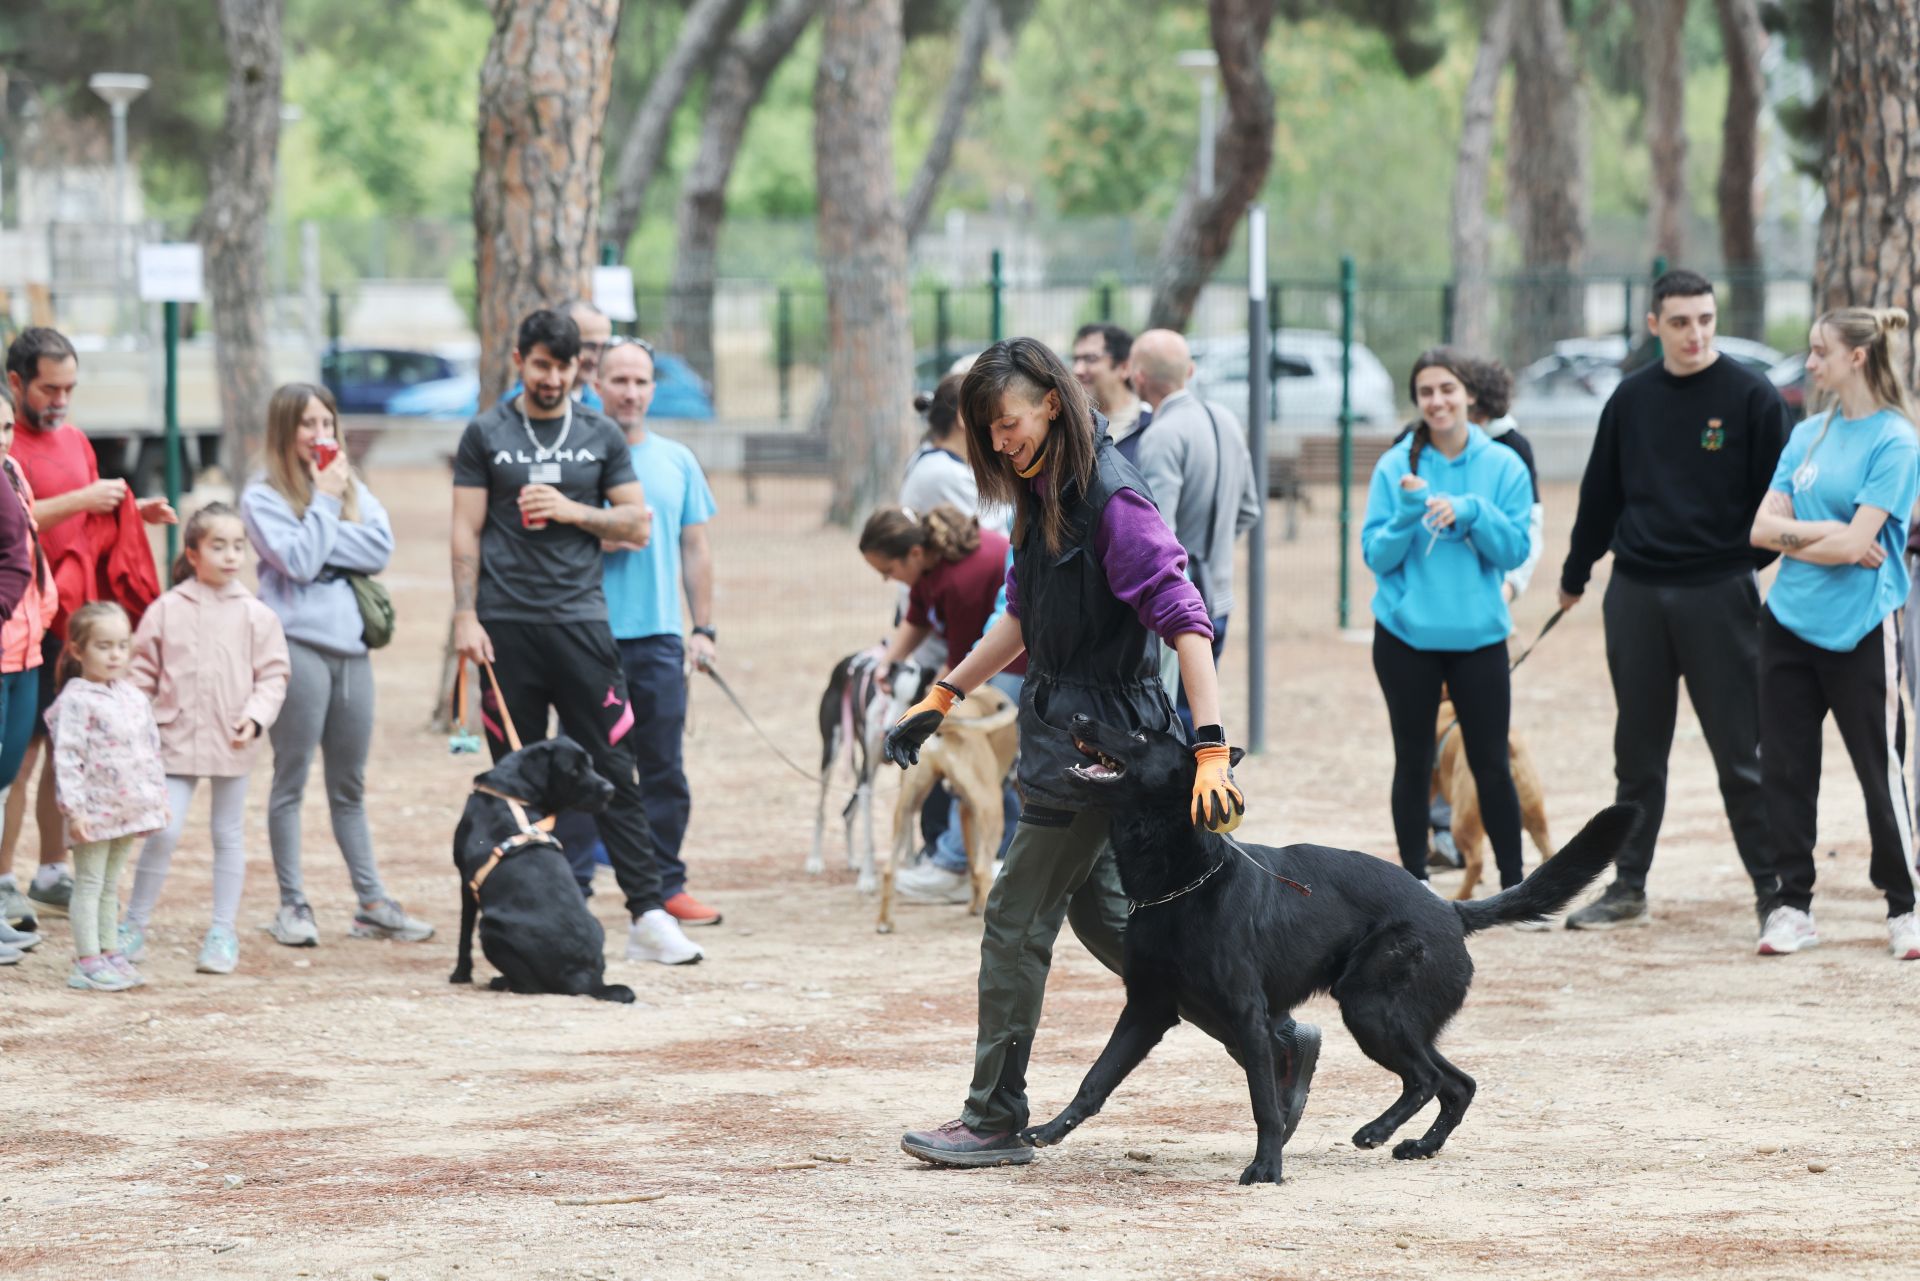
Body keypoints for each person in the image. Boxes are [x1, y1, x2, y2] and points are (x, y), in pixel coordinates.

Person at [882, 337, 1317, 1168]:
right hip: (1062, 728)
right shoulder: (1040, 489)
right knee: (1114, 919)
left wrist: (1211, 746)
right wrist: (941, 697)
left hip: (1104, 744)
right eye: (985, 432)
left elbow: (1185, 616)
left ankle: (995, 1115)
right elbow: (1020, 615)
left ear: (1052, 400)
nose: (997, 442)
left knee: (1014, 918)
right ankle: (1271, 1034)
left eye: (1005, 423)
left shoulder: (1114, 499)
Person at [451, 307, 701, 965]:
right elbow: (463, 530)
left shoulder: (598, 434)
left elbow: (634, 523)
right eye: (542, 365)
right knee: (513, 781)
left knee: (613, 769)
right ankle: (526, 909)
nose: (553, 378)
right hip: (506, 630)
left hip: (585, 627)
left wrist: (570, 511)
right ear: (519, 361)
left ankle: (647, 913)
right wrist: (463, 615)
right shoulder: (486, 433)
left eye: (564, 367)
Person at [1557, 270, 1792, 930]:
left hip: (1720, 596)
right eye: (1682, 321)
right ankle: (1628, 885)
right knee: (1637, 754)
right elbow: (1600, 494)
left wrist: (1734, 566)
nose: (1696, 333)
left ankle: (1775, 894)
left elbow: (1777, 502)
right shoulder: (1630, 399)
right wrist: (1577, 572)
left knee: (1742, 755)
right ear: (1655, 325)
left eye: (1706, 319)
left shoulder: (1752, 396)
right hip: (1636, 594)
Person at [1746, 307, 1920, 961]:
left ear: (1857, 358)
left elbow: (1860, 543)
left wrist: (1821, 537)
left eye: (1820, 352)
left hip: (1861, 631)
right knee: (1785, 770)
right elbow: (1763, 532)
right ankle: (1791, 904)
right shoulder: (1809, 433)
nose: (1809, 363)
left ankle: (1903, 905)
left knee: (1881, 772)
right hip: (1787, 622)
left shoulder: (1896, 441)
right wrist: (1834, 537)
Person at [242, 383, 430, 946]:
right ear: (284, 431)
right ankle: (293, 905)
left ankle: (372, 903)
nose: (320, 434)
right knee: (291, 780)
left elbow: (379, 549)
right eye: (307, 424)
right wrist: (324, 504)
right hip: (296, 646)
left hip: (352, 649)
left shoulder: (350, 483)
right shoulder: (261, 496)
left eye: (326, 422)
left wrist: (324, 523)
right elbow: (297, 563)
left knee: (349, 785)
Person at [548, 336, 723, 926]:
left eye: (641, 381)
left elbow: (695, 549)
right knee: (580, 763)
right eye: (618, 380)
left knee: (663, 767)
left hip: (658, 639)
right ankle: (571, 886)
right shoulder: (571, 457)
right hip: (585, 635)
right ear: (596, 385)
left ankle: (663, 884)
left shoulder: (676, 460)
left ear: (653, 388)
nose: (630, 392)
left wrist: (703, 630)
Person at [4, 327, 174, 920]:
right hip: (21, 626)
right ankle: (2, 880)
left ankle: (51, 871)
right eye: (50, 389)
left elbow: (88, 520)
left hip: (70, 629)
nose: (61, 401)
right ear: (16, 382)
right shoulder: (7, 442)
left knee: (63, 752)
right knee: (16, 761)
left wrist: (134, 512)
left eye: (70, 389)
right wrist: (83, 499)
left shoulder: (75, 440)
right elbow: (20, 517)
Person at [1363, 349, 1536, 902]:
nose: (1437, 401)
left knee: (1492, 763)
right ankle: (1414, 882)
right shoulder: (1397, 466)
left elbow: (1515, 550)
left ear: (1469, 397)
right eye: (1426, 392)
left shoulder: (1504, 465)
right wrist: (1409, 514)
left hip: (1479, 640)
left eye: (1447, 390)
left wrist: (1474, 512)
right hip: (1405, 639)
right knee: (1413, 761)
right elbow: (1376, 555)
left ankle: (1514, 885)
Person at [121, 503, 290, 975]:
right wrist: (141, 724)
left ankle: (222, 931)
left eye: (238, 546)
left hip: (233, 741)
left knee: (228, 834)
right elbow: (140, 674)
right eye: (218, 545)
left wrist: (256, 717)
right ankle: (132, 924)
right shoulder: (165, 609)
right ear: (192, 553)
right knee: (164, 831)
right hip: (171, 740)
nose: (231, 555)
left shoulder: (258, 615)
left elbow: (274, 675)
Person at [859, 503, 1025, 905]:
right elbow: (915, 619)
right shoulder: (928, 570)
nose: (886, 579)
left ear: (913, 554)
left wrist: (930, 707)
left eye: (887, 570)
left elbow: (966, 660)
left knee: (971, 760)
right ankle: (971, 857)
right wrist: (889, 662)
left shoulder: (960, 578)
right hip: (977, 662)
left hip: (1012, 666)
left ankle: (958, 862)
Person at [1416, 356, 1542, 872]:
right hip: (1428, 625)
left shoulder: (1510, 452)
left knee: (1485, 747)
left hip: (1485, 618)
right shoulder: (1416, 451)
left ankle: (1499, 858)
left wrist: (1508, 591)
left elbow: (1528, 534)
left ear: (1476, 401)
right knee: (1435, 742)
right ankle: (1445, 834)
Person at [1126, 329, 1261, 732]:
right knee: (1201, 716)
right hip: (1220, 597)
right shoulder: (1225, 420)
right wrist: (1213, 547)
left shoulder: (1162, 435)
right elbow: (1249, 509)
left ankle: (1188, 796)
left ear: (1137, 377)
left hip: (1179, 608)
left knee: (1173, 725)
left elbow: (1157, 533)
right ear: (1190, 371)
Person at [44, 602, 169, 992]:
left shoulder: (132, 696)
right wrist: (74, 810)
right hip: (93, 813)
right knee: (90, 881)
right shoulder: (76, 701)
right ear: (78, 651)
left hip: (127, 811)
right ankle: (87, 959)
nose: (115, 654)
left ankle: (110, 949)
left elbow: (150, 750)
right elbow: (67, 758)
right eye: (104, 646)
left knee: (111, 882)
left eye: (122, 645)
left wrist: (155, 798)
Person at [0, 386, 49, 959]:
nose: (2, 440)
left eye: (7, 428)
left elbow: (30, 550)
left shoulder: (12, 472)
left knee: (6, 779)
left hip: (26, 651)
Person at [502, 299, 608, 412]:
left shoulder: (598, 402)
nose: (596, 358)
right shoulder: (515, 407)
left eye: (604, 347)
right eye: (589, 346)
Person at [1071, 323, 1148, 458]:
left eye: (1090, 359)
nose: (1078, 370)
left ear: (1124, 368)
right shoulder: (1070, 427)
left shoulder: (1147, 425)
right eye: (1076, 360)